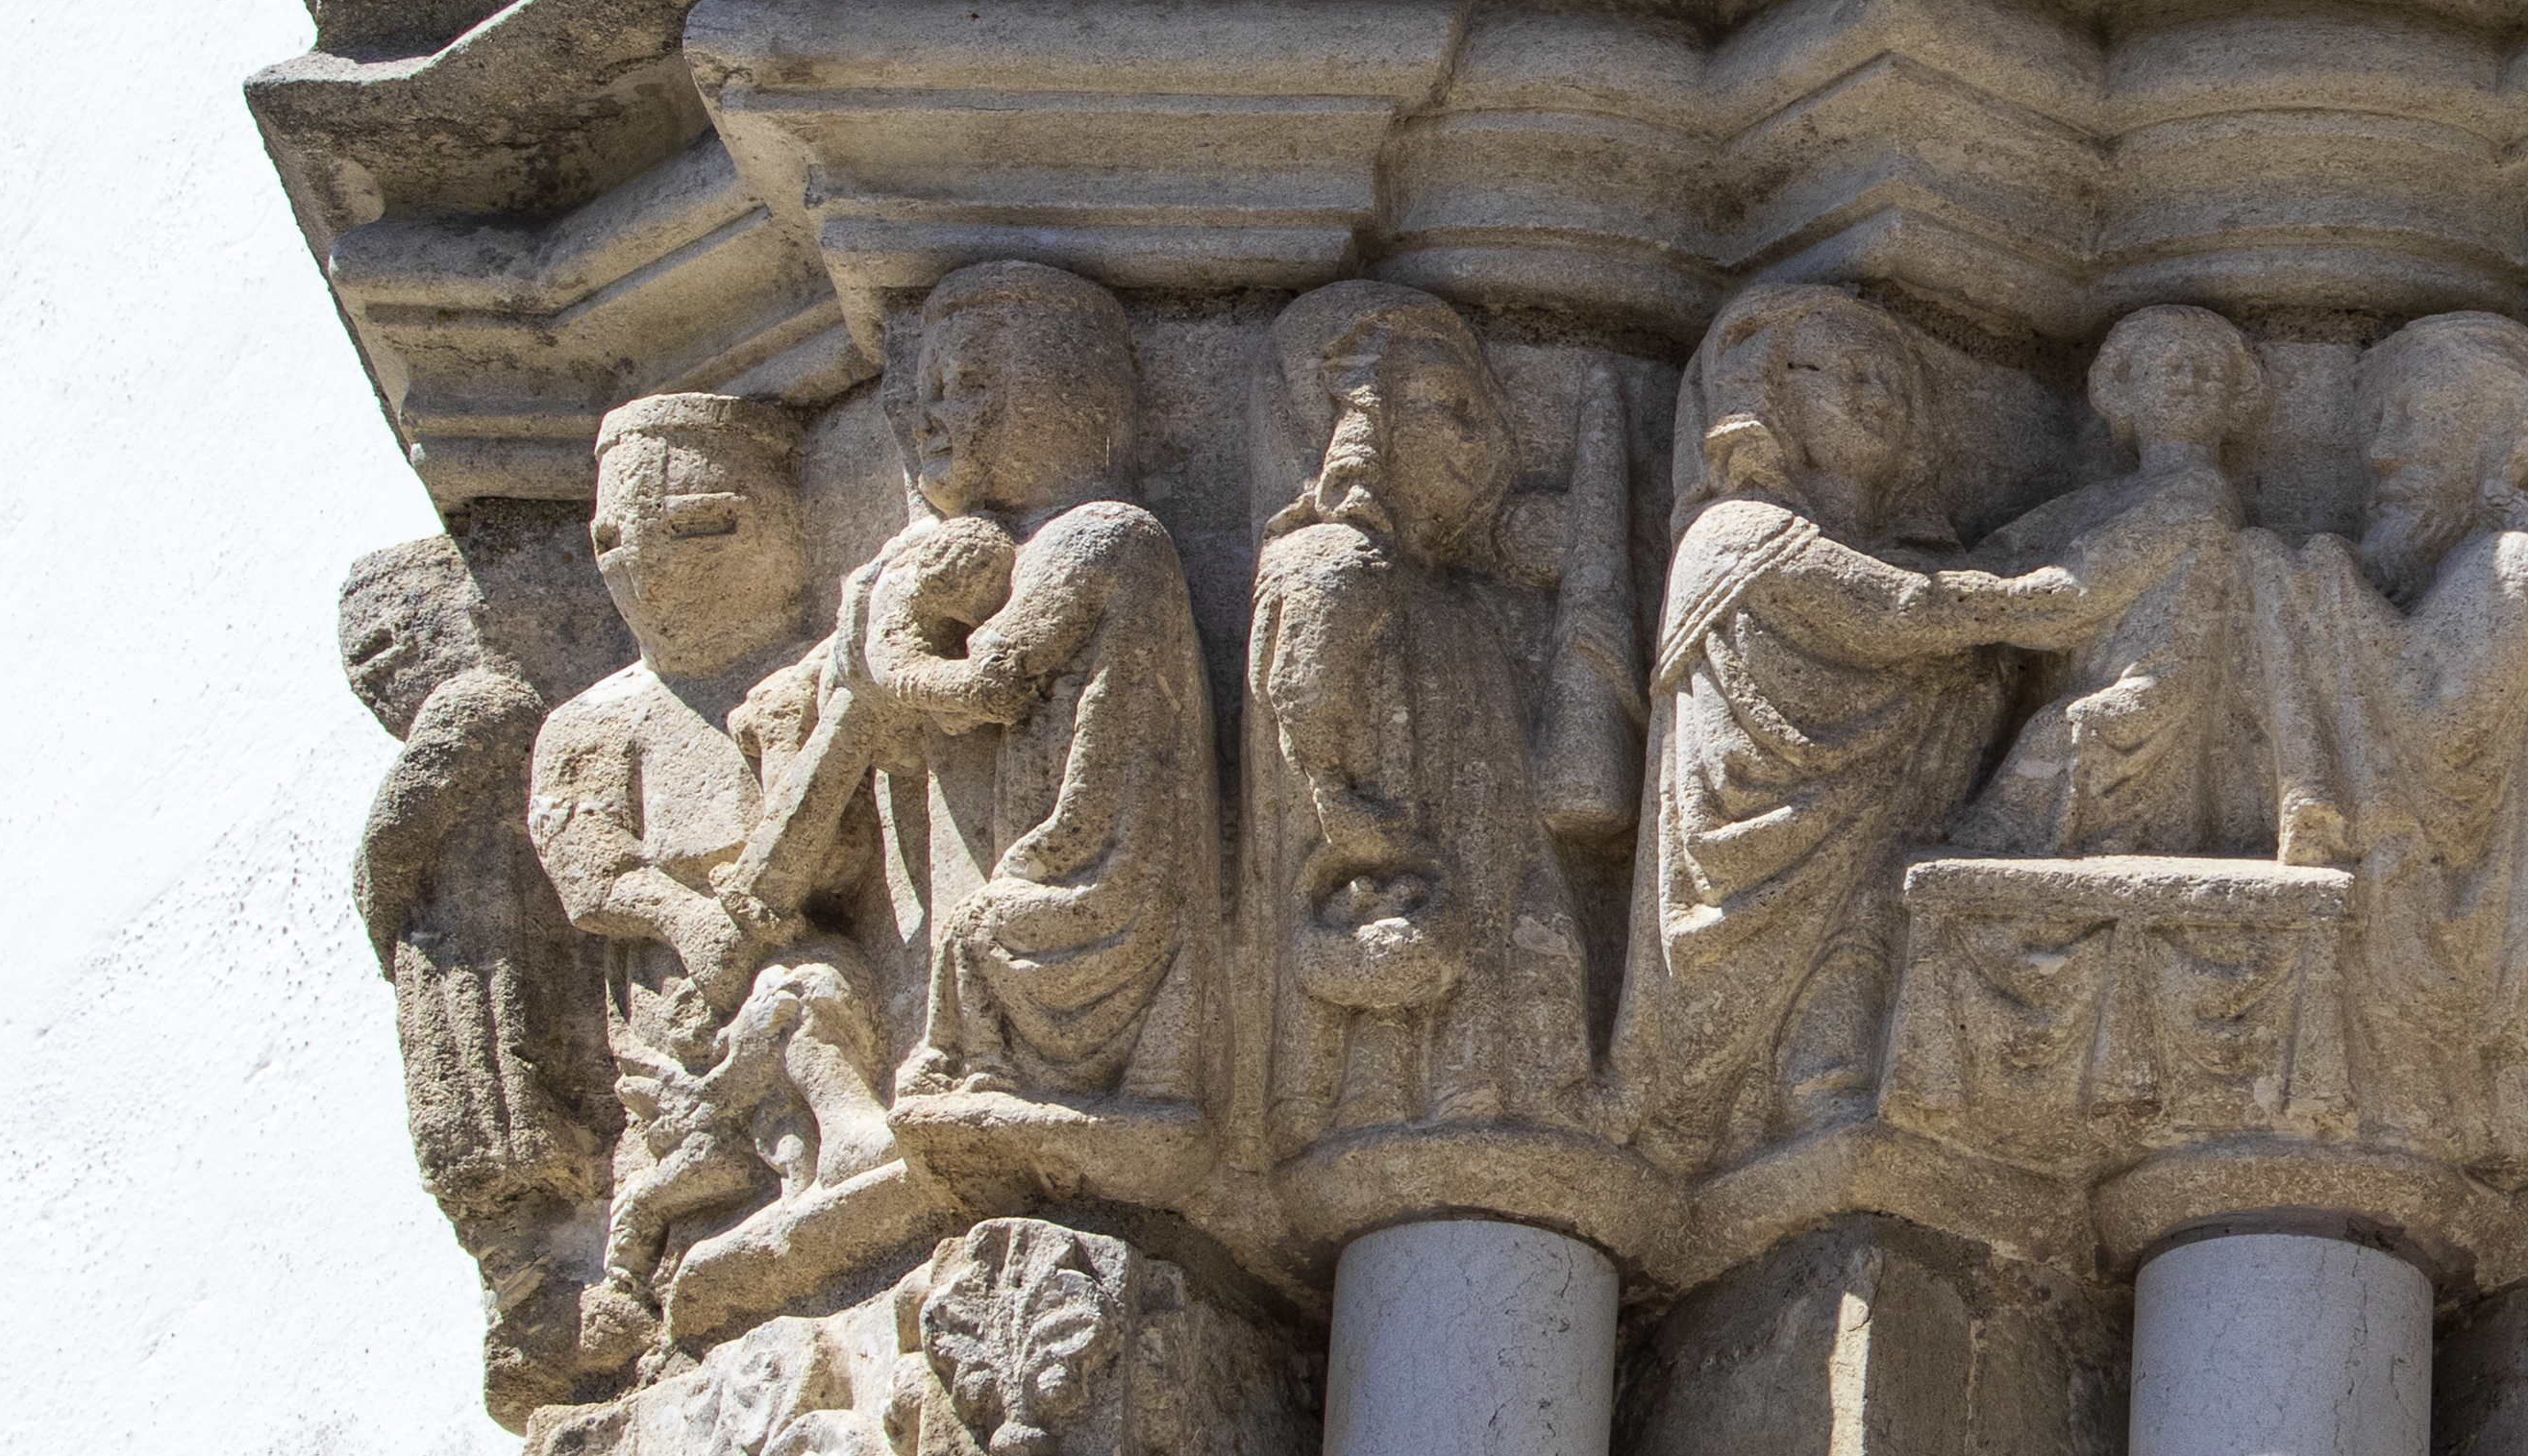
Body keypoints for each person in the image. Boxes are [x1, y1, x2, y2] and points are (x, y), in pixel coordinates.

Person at [1616, 283, 2154, 1169]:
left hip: (1877, 844)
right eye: (1845, 374)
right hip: (1755, 864)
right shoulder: (1739, 533)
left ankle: (1823, 1087)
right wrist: (2023, 599)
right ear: (1767, 392)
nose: (1877, 399)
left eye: (1894, 382)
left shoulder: (1912, 553)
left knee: (1854, 974)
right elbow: (1894, 610)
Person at [754, 261, 1214, 1130]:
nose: (929, 417)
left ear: (1061, 395)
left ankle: (996, 1069)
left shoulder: (1097, 533)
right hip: (1035, 823)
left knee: (982, 934)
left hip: (1094, 848)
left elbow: (993, 686)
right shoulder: (1011, 546)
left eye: (966, 387)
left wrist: (887, 652)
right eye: (924, 389)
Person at [527, 395, 907, 1313]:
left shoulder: (805, 677)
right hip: (670, 998)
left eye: (700, 524)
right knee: (726, 1070)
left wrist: (799, 806)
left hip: (796, 943)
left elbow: (852, 854)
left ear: (777, 522)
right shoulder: (593, 722)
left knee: (816, 989)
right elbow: (583, 859)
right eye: (615, 541)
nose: (651, 568)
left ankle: (839, 1139)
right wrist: (683, 915)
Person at [1241, 283, 1610, 1157]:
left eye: (1483, 411)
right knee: (1399, 991)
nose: (1480, 440)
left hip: (1470, 839)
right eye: (1448, 409)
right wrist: (1338, 806)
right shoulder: (1337, 555)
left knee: (1509, 947)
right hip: (1387, 850)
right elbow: (1302, 693)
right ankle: (1402, 1098)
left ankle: (1483, 1084)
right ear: (1362, 423)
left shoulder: (1441, 593)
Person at [2256, 312, 2528, 1176]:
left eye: (2417, 416)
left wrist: (2325, 593)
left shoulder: (2522, 566)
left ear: (2505, 440)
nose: (2382, 454)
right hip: (2395, 918)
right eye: (2376, 424)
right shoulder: (2461, 571)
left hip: (2443, 931)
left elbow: (2438, 729)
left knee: (2264, 562)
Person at [345, 538, 619, 1412]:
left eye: (395, 637)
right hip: (456, 958)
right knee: (479, 1124)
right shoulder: (465, 718)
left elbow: (395, 833)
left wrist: (374, 880)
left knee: (507, 1112)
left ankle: (564, 1277)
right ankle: (536, 1281)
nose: (380, 667)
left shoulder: (482, 701)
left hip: (498, 956)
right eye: (363, 659)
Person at [1945, 304, 2275, 858]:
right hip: (2092, 674)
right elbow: (2004, 550)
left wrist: (1960, 604)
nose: (2190, 381)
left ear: (2234, 399)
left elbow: (2080, 592)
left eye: (2208, 370)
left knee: (2060, 733)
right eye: (2171, 366)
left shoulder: (2199, 493)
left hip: (2159, 690)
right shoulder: (2098, 500)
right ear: (2125, 387)